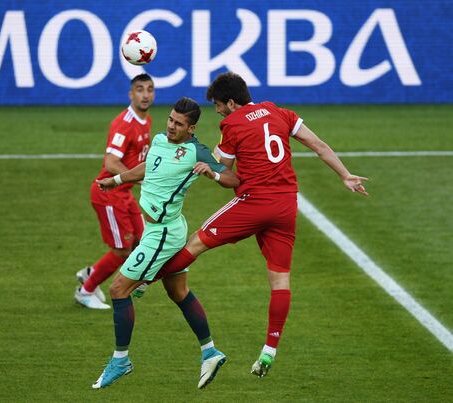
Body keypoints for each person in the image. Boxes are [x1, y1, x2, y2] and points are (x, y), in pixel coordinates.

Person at [140, 72, 369, 378]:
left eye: (220, 105)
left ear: (232, 102)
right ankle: (269, 351)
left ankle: (143, 280)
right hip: (287, 205)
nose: (218, 111)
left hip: (254, 203)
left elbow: (224, 169)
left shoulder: (232, 124)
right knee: (280, 281)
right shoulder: (279, 112)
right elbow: (318, 145)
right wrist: (344, 174)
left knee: (196, 242)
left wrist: (197, 161)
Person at [91, 97, 240, 389]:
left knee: (118, 289)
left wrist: (211, 172)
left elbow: (233, 178)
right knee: (179, 292)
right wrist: (117, 179)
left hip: (163, 233)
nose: (171, 126)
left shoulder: (196, 151)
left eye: (178, 124)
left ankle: (121, 360)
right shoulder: (160, 139)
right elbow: (147, 167)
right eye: (171, 119)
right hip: (155, 229)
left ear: (191, 128)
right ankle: (209, 351)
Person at [75, 74, 155, 309]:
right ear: (131, 94)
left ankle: (92, 273)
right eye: (140, 90)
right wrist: (137, 179)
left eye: (149, 89)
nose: (145, 94)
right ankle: (86, 290)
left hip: (124, 192)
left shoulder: (145, 120)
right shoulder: (124, 123)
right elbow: (110, 162)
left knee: (144, 239)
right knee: (121, 250)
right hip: (108, 193)